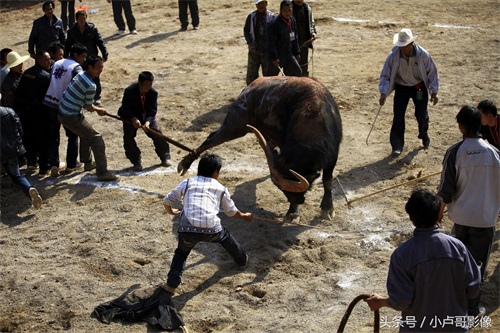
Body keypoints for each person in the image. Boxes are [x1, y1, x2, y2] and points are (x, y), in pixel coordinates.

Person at [364, 189, 481, 332]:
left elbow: (401, 300)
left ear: (411, 218)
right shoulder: (458, 248)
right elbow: (473, 288)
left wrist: (381, 301)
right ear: (439, 215)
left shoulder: (402, 254)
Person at [437, 105, 500, 317]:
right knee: (477, 266)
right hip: (485, 219)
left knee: (457, 262)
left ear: (461, 126)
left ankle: (452, 301)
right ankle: (471, 308)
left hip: (461, 218)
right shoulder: (494, 153)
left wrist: (439, 211)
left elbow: (446, 189)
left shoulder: (455, 152)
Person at [162, 153, 253, 294]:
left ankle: (171, 285)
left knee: (181, 253)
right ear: (216, 172)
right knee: (226, 238)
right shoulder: (221, 188)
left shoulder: (188, 182)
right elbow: (231, 212)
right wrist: (244, 216)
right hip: (212, 230)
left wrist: (171, 211)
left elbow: (167, 200)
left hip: (187, 230)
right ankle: (241, 260)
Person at [379, 28, 439, 156]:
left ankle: (424, 134)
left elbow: (432, 72)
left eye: (405, 45)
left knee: (421, 115)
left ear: (411, 44)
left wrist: (434, 91)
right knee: (398, 116)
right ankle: (397, 145)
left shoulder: (422, 54)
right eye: (401, 46)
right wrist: (383, 92)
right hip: (401, 87)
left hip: (419, 86)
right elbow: (386, 75)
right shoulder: (393, 56)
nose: (402, 48)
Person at [58, 56, 118, 181]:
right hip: (70, 116)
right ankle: (102, 172)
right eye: (98, 67)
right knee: (97, 139)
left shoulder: (80, 74)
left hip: (62, 111)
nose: (100, 70)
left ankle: (87, 162)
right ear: (89, 67)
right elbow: (87, 106)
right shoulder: (91, 85)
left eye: (102, 67)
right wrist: (99, 110)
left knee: (86, 133)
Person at [43, 43, 88, 177]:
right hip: (66, 106)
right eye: (83, 56)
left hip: (50, 102)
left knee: (52, 136)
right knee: (72, 135)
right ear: (76, 55)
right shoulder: (76, 67)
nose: (84, 59)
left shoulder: (57, 63)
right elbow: (80, 85)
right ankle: (71, 165)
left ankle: (54, 164)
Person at [117, 71, 171, 171]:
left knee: (157, 133)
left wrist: (148, 122)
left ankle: (165, 156)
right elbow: (125, 108)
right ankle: (136, 161)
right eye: (146, 85)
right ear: (140, 83)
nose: (148, 87)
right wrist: (133, 119)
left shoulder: (153, 93)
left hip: (146, 115)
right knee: (128, 137)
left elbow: (152, 111)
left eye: (150, 85)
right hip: (130, 115)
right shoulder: (129, 91)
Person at [13, 51, 51, 171]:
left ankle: (31, 162)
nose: (49, 62)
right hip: (38, 113)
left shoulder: (27, 73)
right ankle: (44, 167)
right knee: (42, 139)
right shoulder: (45, 76)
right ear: (39, 60)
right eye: (46, 60)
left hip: (24, 112)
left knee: (29, 138)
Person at [0, 106, 43, 209]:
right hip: (11, 150)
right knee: (17, 176)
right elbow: (19, 130)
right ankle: (29, 189)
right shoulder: (9, 111)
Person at [65, 10, 108, 105]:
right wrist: (65, 58)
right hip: (79, 59)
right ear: (76, 20)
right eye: (80, 19)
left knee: (95, 76)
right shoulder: (72, 31)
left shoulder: (92, 28)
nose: (82, 20)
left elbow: (99, 41)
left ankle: (96, 97)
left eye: (84, 18)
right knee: (80, 78)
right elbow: (68, 45)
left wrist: (104, 53)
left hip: (91, 58)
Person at [266, 0, 301, 77]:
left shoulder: (293, 21)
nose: (287, 13)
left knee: (297, 72)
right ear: (280, 10)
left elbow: (295, 38)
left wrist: (297, 52)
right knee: (270, 78)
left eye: (289, 10)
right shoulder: (274, 24)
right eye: (285, 10)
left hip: (288, 54)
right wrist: (274, 57)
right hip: (276, 56)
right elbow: (270, 43)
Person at [243, 0, 275, 85]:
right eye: (258, 4)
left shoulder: (271, 17)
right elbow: (246, 30)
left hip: (267, 52)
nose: (260, 6)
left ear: (266, 3)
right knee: (251, 76)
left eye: (262, 3)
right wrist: (250, 42)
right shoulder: (251, 16)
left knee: (268, 76)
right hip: (254, 51)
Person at [292, 0, 316, 77]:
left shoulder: (307, 8)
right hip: (292, 42)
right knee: (292, 64)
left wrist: (313, 33)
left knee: (303, 64)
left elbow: (311, 23)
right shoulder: (288, 7)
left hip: (304, 42)